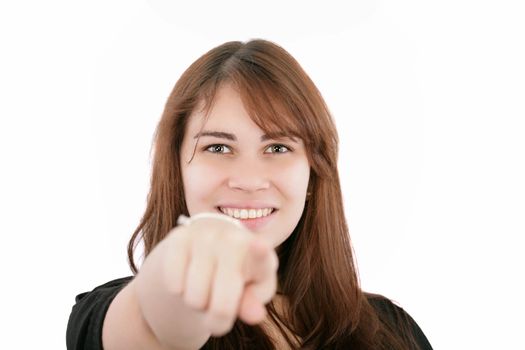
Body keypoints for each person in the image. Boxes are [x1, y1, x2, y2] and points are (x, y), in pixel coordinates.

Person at [66, 39, 433, 350]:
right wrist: (175, 288)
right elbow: (153, 322)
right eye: (218, 148)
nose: (249, 180)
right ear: (177, 169)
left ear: (312, 173)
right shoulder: (108, 311)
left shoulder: (390, 332)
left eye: (277, 148)